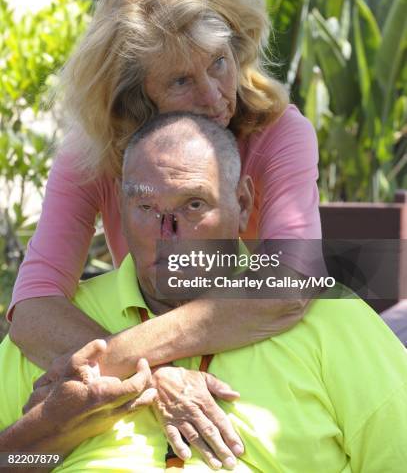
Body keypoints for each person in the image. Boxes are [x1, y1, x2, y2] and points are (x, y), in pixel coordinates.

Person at [8, 0, 322, 460]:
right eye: (181, 80)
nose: (217, 95)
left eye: (219, 63)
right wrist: (161, 377)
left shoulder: (278, 131)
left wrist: (125, 364)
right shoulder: (91, 154)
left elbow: (288, 283)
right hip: (146, 361)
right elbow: (32, 305)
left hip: (269, 363)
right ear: (136, 98)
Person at [1, 113, 406, 472]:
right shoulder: (56, 326)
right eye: (146, 207)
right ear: (120, 208)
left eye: (193, 205)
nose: (167, 235)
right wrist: (50, 433)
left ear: (243, 203)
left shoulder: (334, 320)